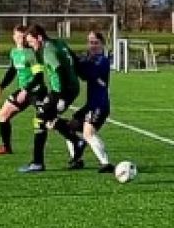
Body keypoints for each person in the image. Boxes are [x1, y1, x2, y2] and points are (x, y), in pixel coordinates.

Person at [18, 24, 85, 173]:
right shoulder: (59, 43)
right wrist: (80, 75)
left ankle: (37, 162)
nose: (30, 45)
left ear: (39, 38)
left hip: (61, 90)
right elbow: (74, 58)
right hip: (68, 88)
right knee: (49, 121)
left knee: (39, 120)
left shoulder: (48, 51)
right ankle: (77, 141)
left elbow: (59, 69)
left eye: (31, 41)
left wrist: (60, 97)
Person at [0, 26, 46, 155]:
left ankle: (75, 140)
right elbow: (12, 71)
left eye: (23, 36)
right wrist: (1, 86)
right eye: (18, 36)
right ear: (13, 36)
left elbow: (39, 77)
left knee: (48, 122)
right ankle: (5, 147)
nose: (20, 39)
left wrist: (26, 90)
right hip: (23, 91)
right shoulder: (14, 52)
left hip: (36, 91)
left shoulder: (32, 53)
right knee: (2, 116)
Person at [65, 30, 114, 173]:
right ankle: (76, 159)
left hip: (100, 105)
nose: (92, 45)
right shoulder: (89, 59)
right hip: (91, 105)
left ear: (102, 44)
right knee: (69, 128)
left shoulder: (102, 60)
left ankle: (106, 163)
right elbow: (83, 73)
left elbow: (89, 73)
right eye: (90, 42)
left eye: (95, 43)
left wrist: (74, 58)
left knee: (88, 133)